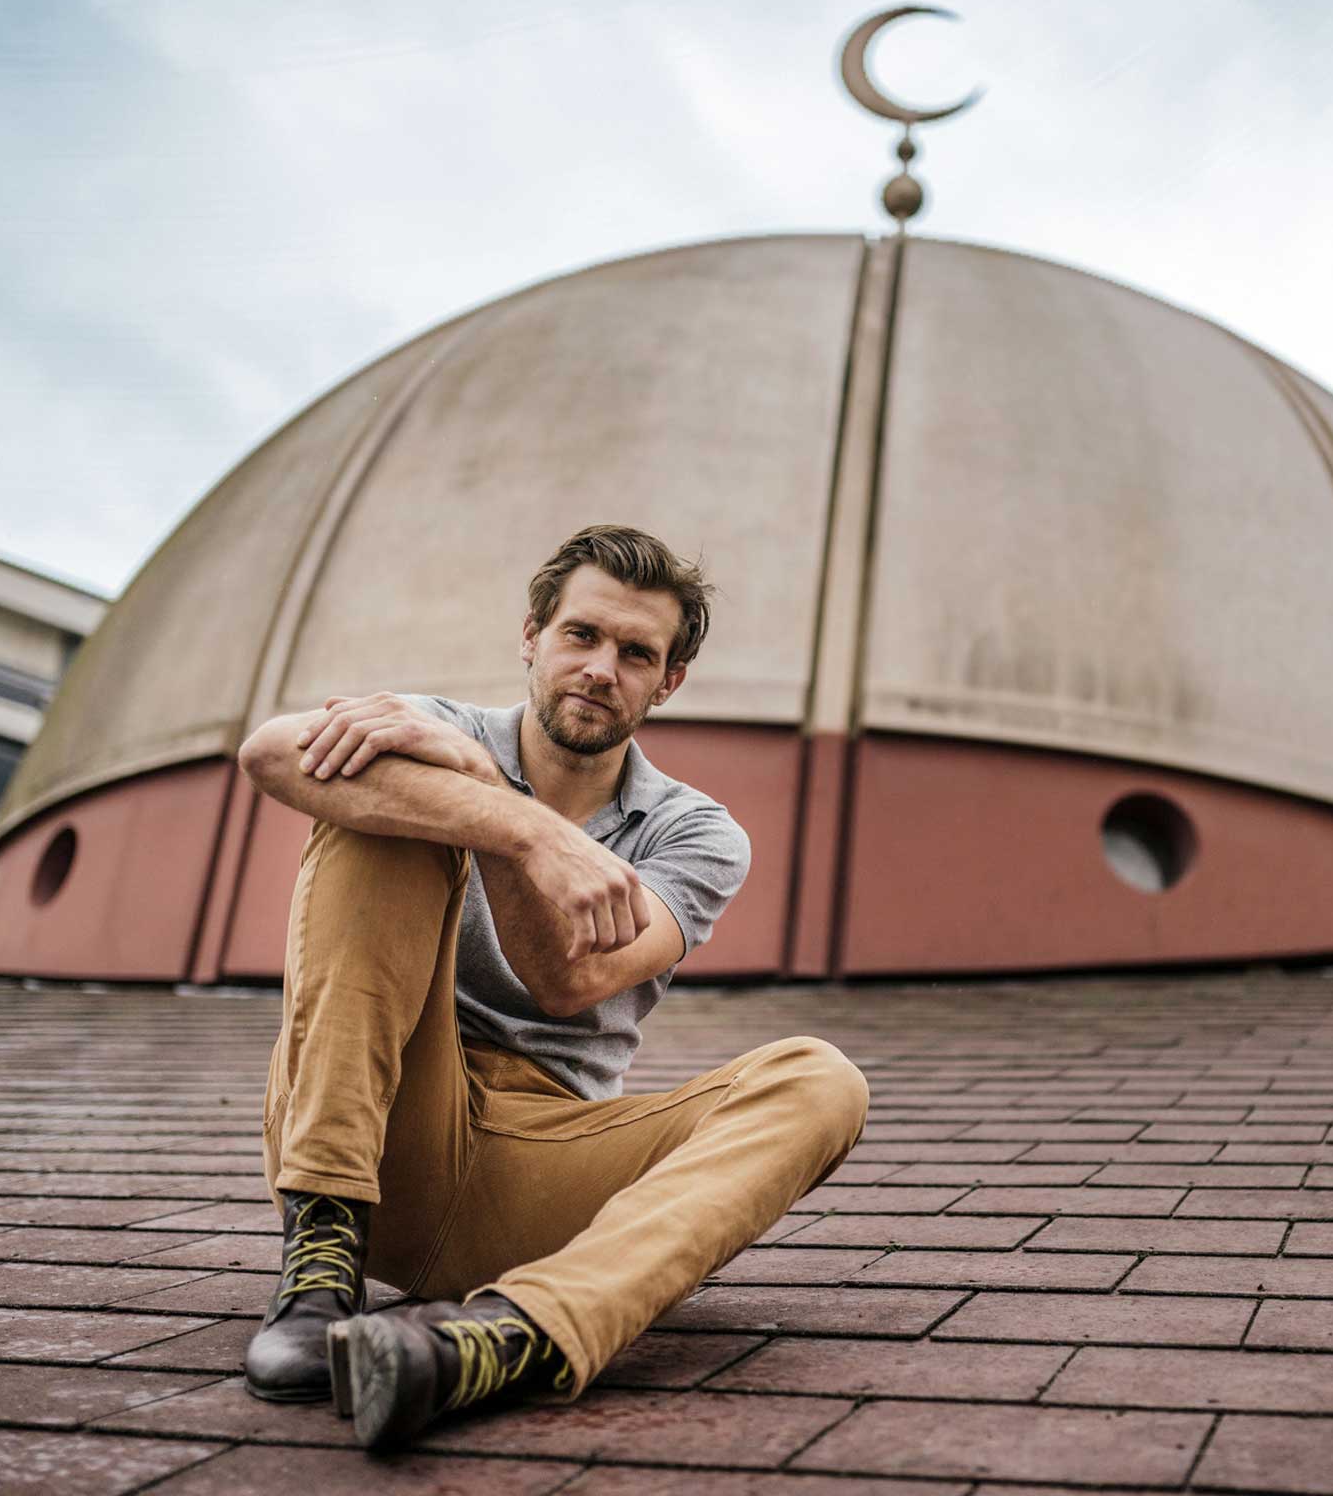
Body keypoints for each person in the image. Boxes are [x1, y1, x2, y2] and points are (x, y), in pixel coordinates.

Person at [234, 524, 870, 1451]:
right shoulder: (438, 729)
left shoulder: (698, 833)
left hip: (546, 1173)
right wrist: (525, 827)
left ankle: (502, 1341)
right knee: (377, 811)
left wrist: (505, 818)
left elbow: (571, 979)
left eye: (636, 653)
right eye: (581, 635)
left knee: (823, 1081)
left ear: (668, 681)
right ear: (532, 635)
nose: (602, 668)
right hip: (382, 1130)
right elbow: (270, 753)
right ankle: (320, 1257)